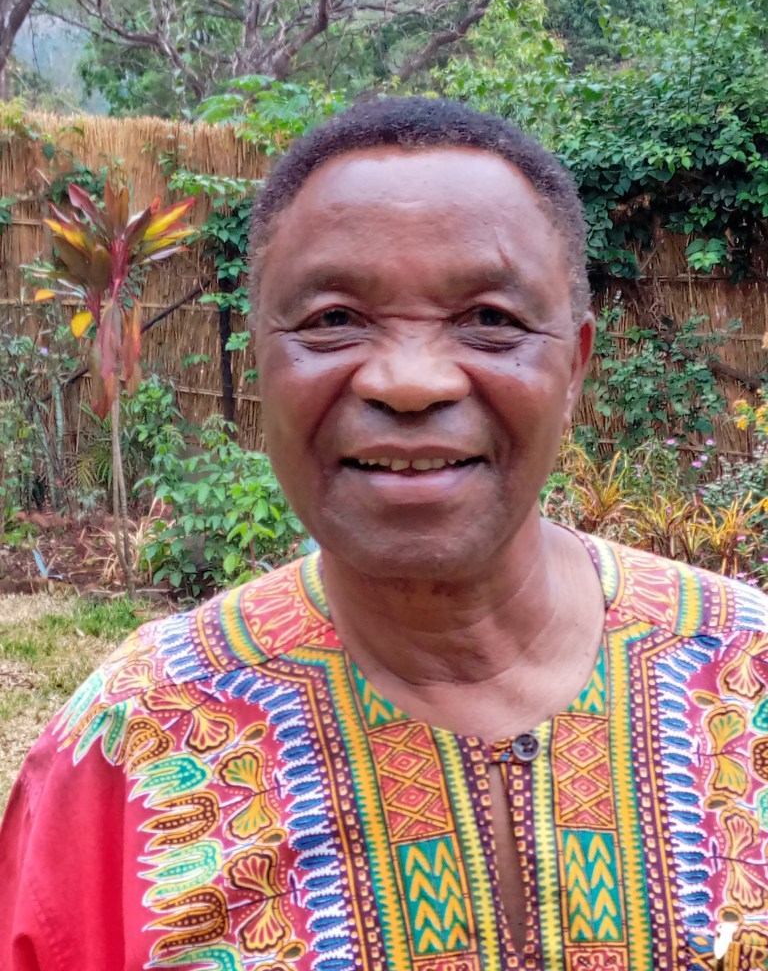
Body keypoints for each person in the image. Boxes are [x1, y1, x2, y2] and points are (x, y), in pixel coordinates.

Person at [1, 97, 767, 971]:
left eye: (491, 319)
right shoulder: (133, 739)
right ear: (258, 362)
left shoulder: (749, 677)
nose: (410, 382)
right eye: (334, 319)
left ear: (575, 367)